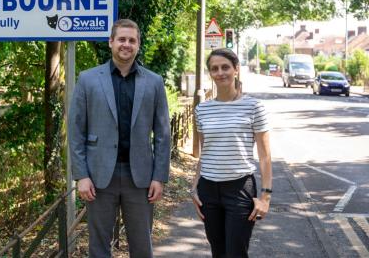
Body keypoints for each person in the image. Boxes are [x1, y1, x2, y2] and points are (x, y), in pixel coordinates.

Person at [68, 19, 171, 257]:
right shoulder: (88, 79)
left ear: (138, 45)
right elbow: (76, 131)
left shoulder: (154, 82)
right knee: (99, 247)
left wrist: (159, 176)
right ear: (111, 42)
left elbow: (163, 134)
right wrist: (81, 176)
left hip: (141, 178)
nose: (126, 44)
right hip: (99, 176)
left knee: (142, 246)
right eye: (122, 39)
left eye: (132, 40)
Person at [190, 48, 272, 258]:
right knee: (218, 251)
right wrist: (194, 187)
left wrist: (265, 196)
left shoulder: (253, 106)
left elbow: (264, 156)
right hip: (208, 189)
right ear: (210, 73)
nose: (220, 73)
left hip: (239, 188)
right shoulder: (202, 110)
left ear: (236, 69)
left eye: (225, 67)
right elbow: (205, 152)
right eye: (214, 69)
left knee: (236, 252)